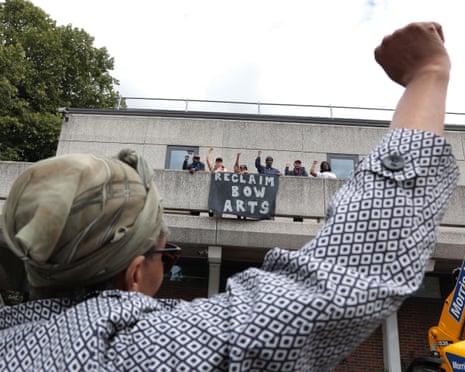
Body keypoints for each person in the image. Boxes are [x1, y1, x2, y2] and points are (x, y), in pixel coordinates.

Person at [0, 22, 458, 371]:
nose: (170, 263)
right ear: (135, 274)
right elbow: (350, 275)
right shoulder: (141, 352)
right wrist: (428, 76)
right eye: (167, 253)